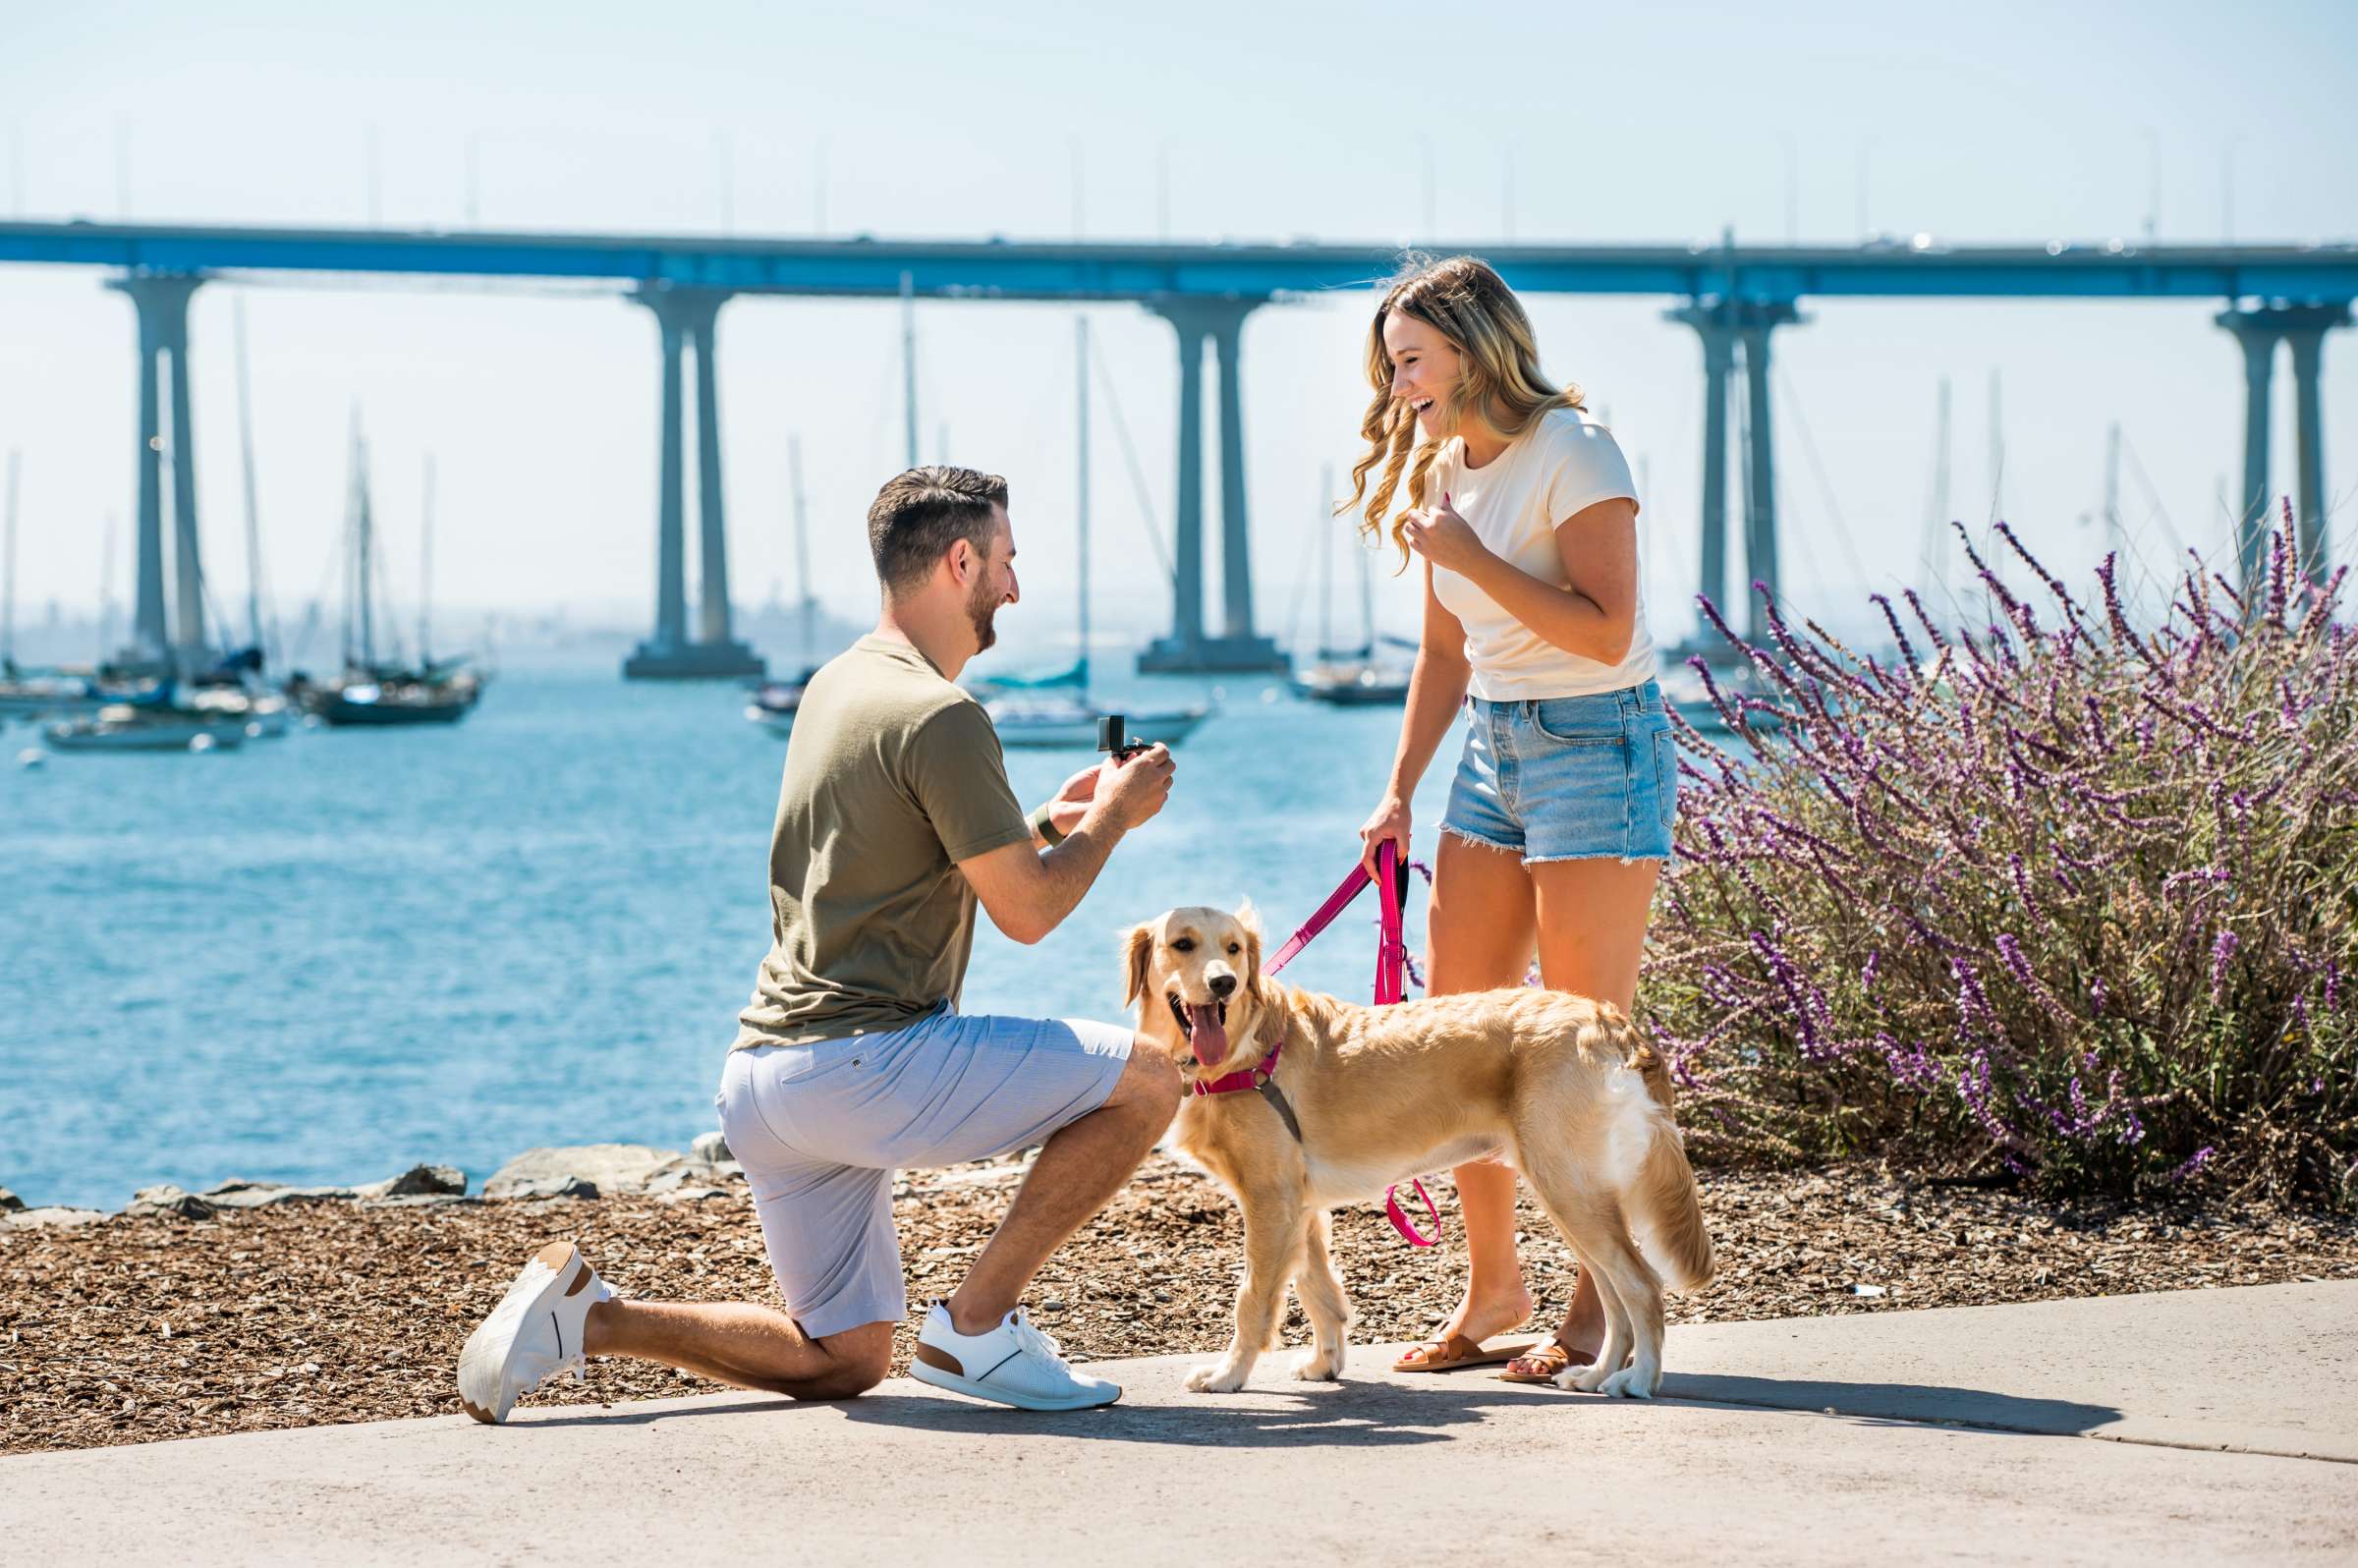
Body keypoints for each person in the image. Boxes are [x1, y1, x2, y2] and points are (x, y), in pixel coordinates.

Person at [458, 465, 1181, 1419]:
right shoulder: (946, 715)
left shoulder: (835, 686)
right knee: (1149, 1079)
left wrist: (1049, 825)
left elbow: (891, 862)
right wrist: (1117, 818)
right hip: (866, 1066)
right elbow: (1029, 915)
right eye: (1006, 562)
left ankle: (590, 1320)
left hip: (765, 1080)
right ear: (960, 562)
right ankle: (977, 1327)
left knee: (844, 1359)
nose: (1015, 588)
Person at [1349, 256, 1675, 1383]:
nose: (1399, 390)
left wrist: (1472, 556)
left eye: (1411, 362)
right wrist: (1398, 788)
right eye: (1391, 369)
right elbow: (1447, 649)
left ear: (1475, 347)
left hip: (1597, 744)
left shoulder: (1576, 452)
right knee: (1459, 1039)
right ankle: (1494, 1290)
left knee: (1580, 1046)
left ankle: (1597, 1305)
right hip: (1492, 753)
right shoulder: (1448, 467)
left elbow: (1604, 629)